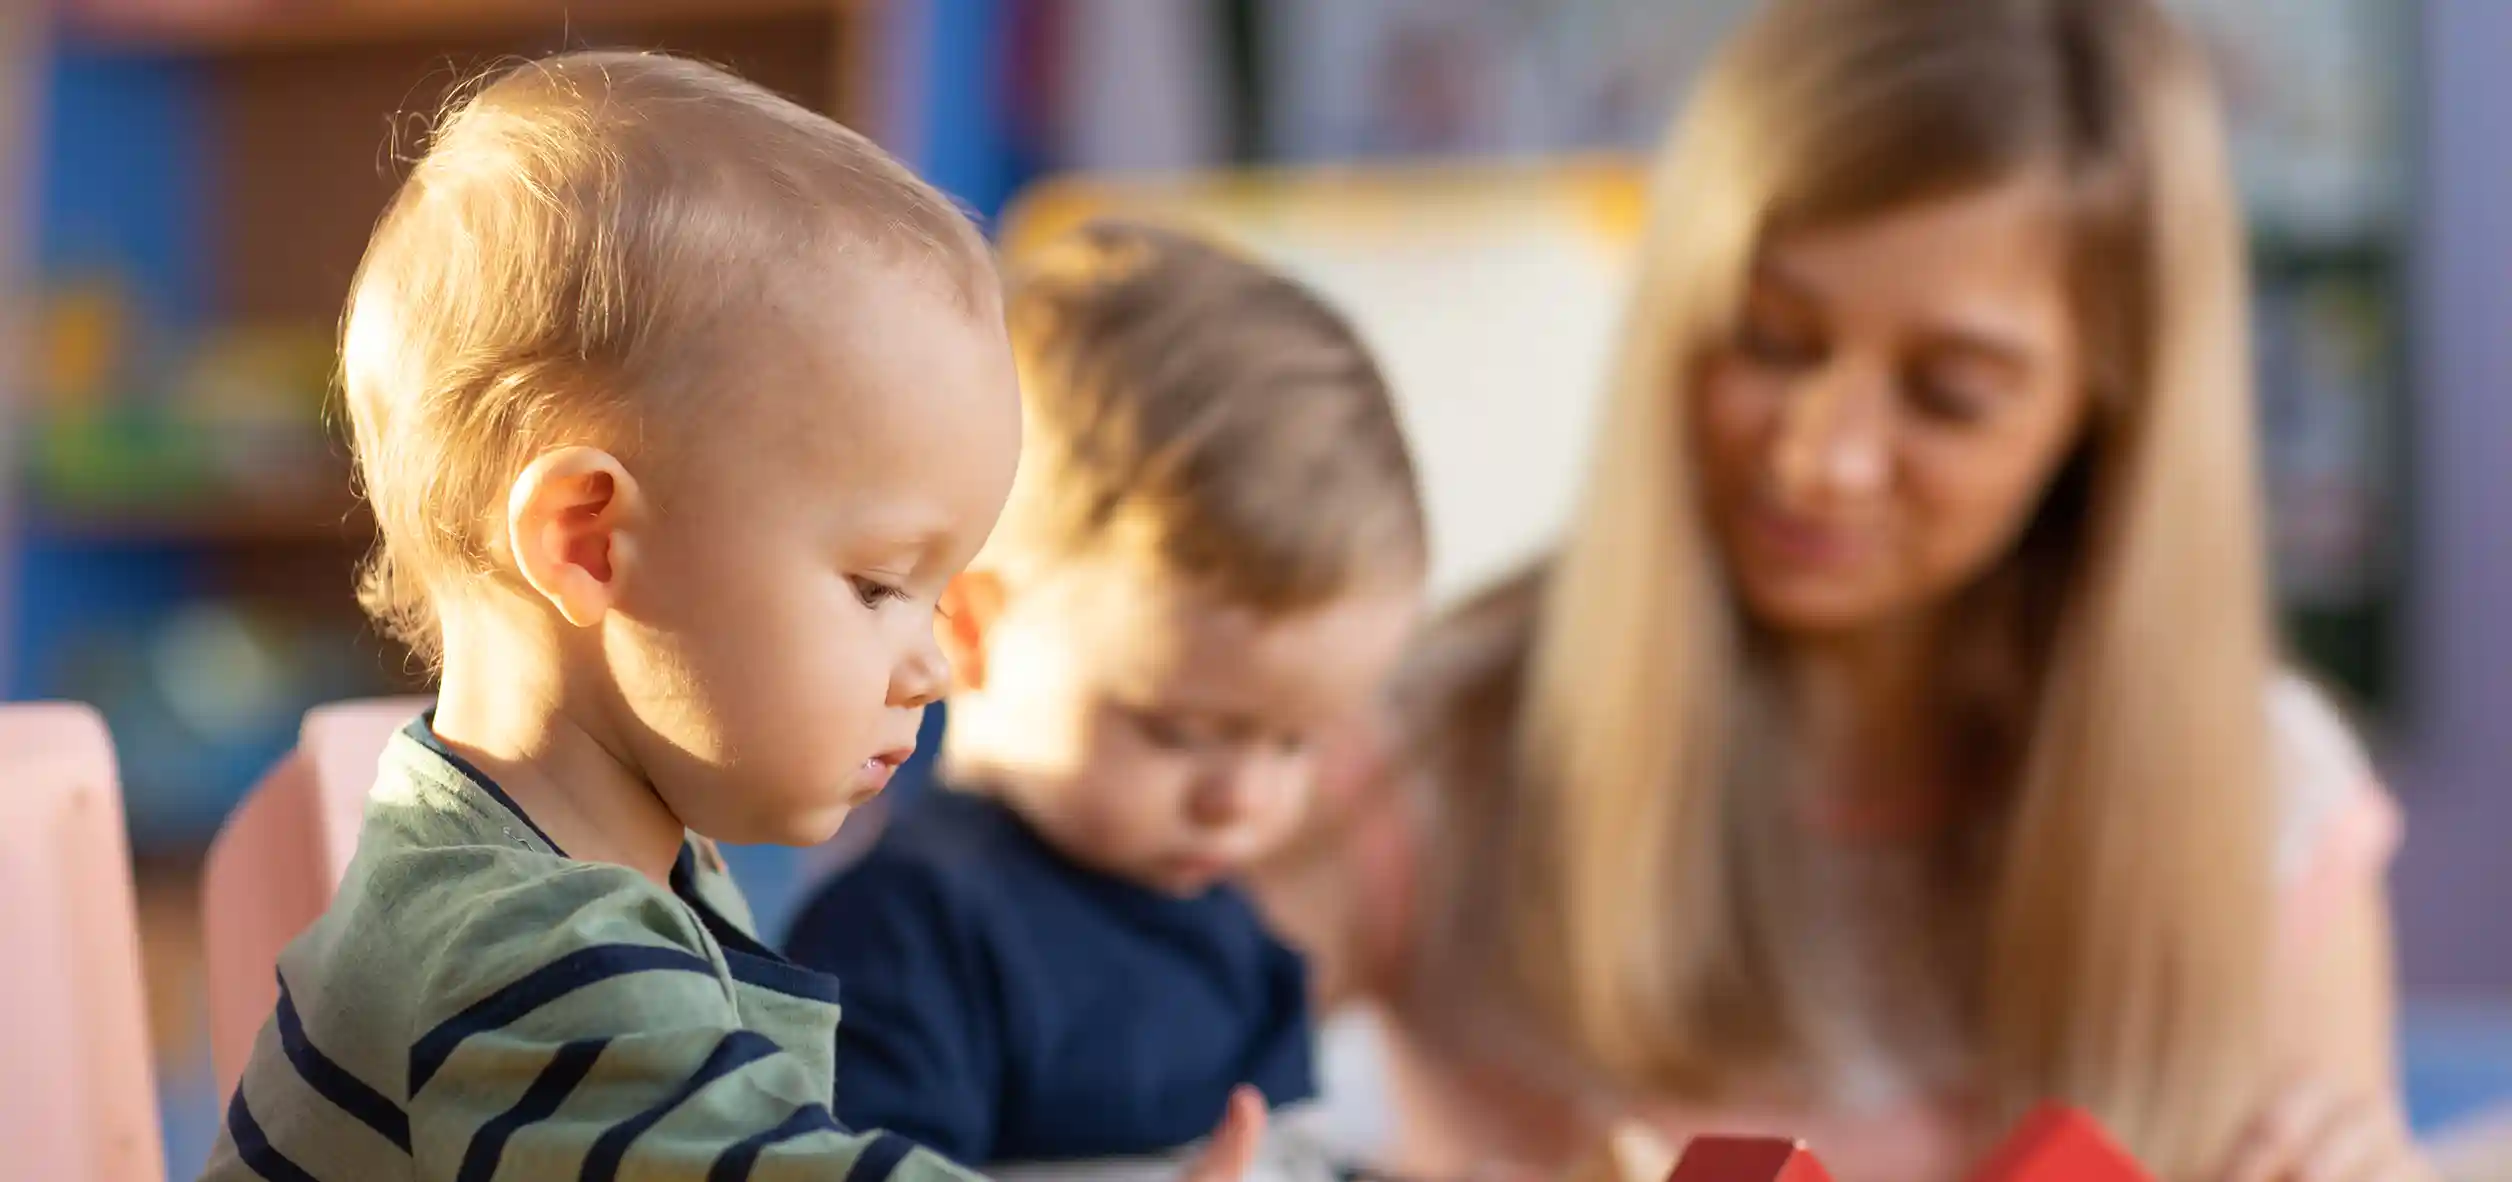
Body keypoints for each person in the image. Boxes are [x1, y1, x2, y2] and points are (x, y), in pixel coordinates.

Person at [1299, 2, 2425, 1181]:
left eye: (1948, 394)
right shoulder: (1432, 747)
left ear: (2105, 415)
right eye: (1771, 339)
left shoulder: (2261, 805)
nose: (1820, 460)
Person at [201, 55, 1267, 1182]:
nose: (936, 663)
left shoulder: (581, 866)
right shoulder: (517, 951)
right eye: (878, 586)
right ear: (590, 543)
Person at [783, 222, 1427, 1180]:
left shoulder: (1238, 943)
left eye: (1294, 742)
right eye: (1183, 733)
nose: (1241, 799)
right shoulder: (910, 934)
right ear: (974, 629)